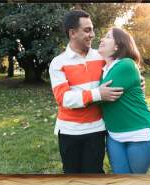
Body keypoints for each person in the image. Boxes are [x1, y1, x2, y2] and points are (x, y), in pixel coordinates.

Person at [49, 10, 144, 174]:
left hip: (97, 129)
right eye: (87, 30)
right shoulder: (58, 63)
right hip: (69, 131)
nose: (92, 34)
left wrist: (137, 82)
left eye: (92, 29)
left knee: (94, 174)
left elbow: (125, 70)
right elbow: (63, 98)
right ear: (72, 33)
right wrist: (97, 94)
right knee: (71, 174)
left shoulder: (101, 57)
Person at [97, 28, 150, 174]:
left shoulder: (125, 64)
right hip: (114, 135)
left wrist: (77, 97)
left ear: (117, 46)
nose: (101, 39)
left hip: (140, 134)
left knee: (136, 180)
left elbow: (100, 97)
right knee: (121, 177)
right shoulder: (103, 69)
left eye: (107, 37)